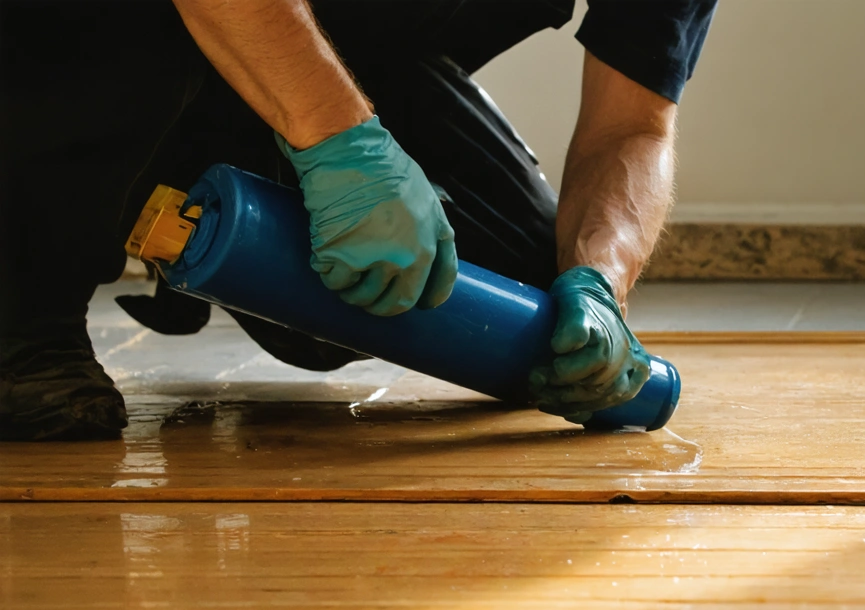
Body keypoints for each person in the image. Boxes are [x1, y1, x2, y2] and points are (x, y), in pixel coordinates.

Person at [0, 0, 717, 440]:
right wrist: (342, 146)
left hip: (332, 61)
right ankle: (24, 315)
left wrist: (599, 281)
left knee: (512, 308)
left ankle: (172, 188)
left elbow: (633, 127)